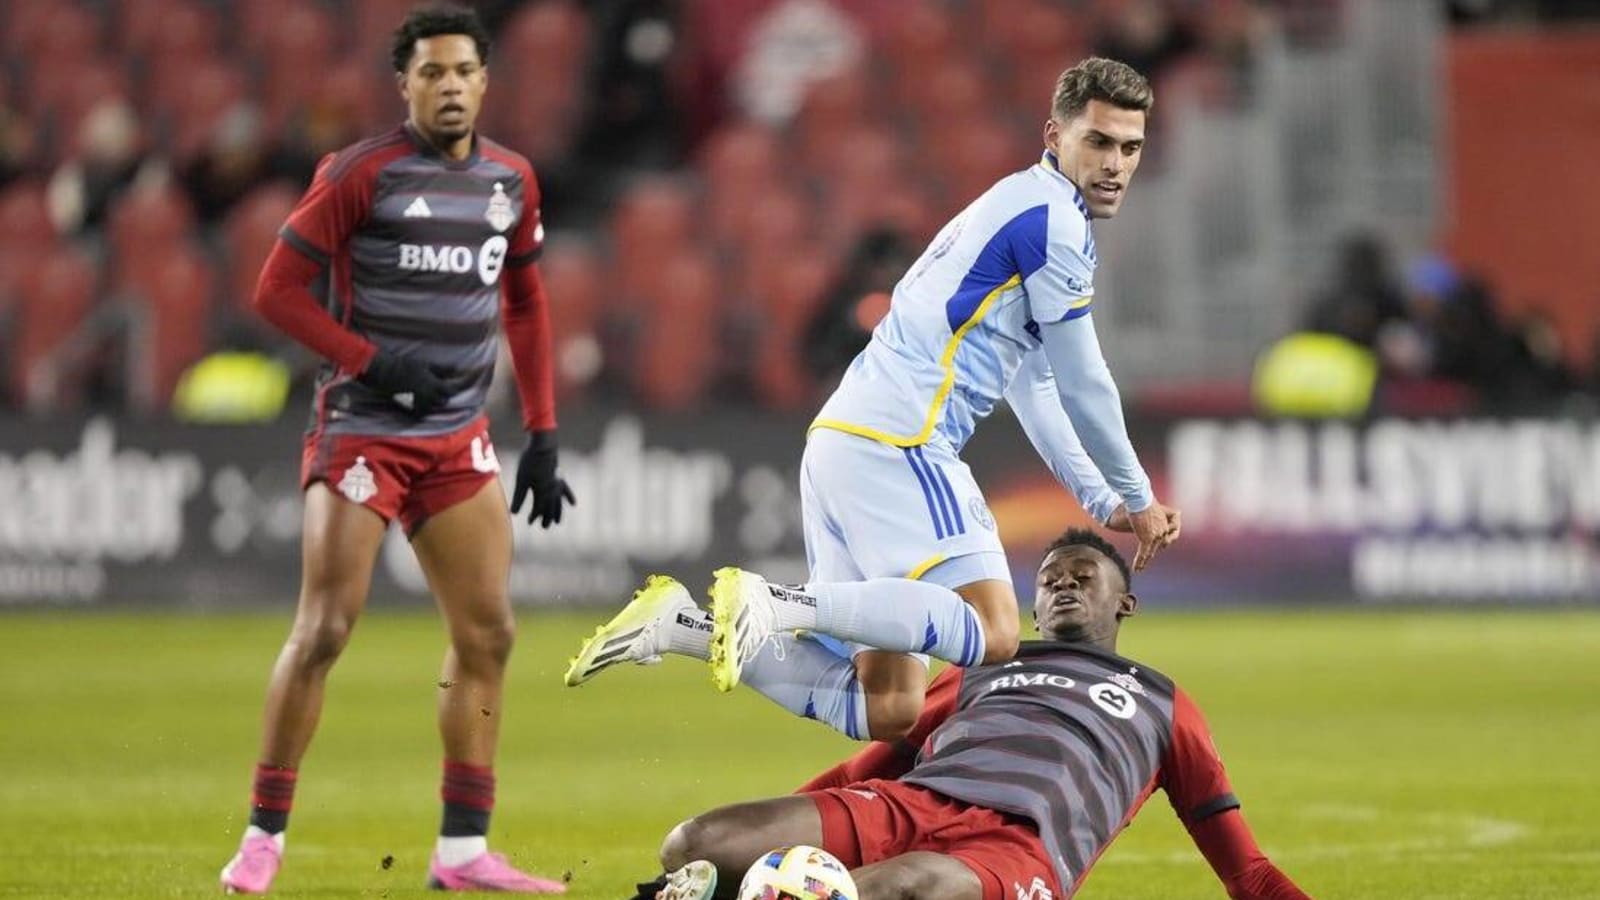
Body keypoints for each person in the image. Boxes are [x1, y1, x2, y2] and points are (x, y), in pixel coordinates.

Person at [565, 58, 1180, 746]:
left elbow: (1033, 383)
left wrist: (1101, 501)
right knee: (995, 629)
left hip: (841, 442)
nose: (1115, 164)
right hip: (902, 444)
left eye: (1131, 148)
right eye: (1098, 142)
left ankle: (684, 626)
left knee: (888, 705)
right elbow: (1084, 379)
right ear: (1054, 135)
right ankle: (776, 601)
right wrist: (1140, 493)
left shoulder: (1015, 205)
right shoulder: (1054, 222)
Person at [218, 6, 575, 894]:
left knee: (489, 631)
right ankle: (263, 835)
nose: (449, 85)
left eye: (463, 71)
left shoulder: (511, 180)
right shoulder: (359, 172)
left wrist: (543, 432)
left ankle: (462, 852)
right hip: (363, 430)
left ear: (485, 82)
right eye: (431, 73)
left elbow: (526, 304)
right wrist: (374, 362)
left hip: (458, 439)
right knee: (328, 627)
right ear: (405, 84)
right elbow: (276, 291)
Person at [638, 530, 1312, 900]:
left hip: (1017, 851)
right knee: (695, 844)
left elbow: (1245, 871)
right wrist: (774, 839)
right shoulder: (980, 668)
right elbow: (865, 768)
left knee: (904, 886)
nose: (1063, 585)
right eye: (1050, 579)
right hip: (913, 805)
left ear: (1124, 604)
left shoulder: (1163, 702)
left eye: (1082, 576)